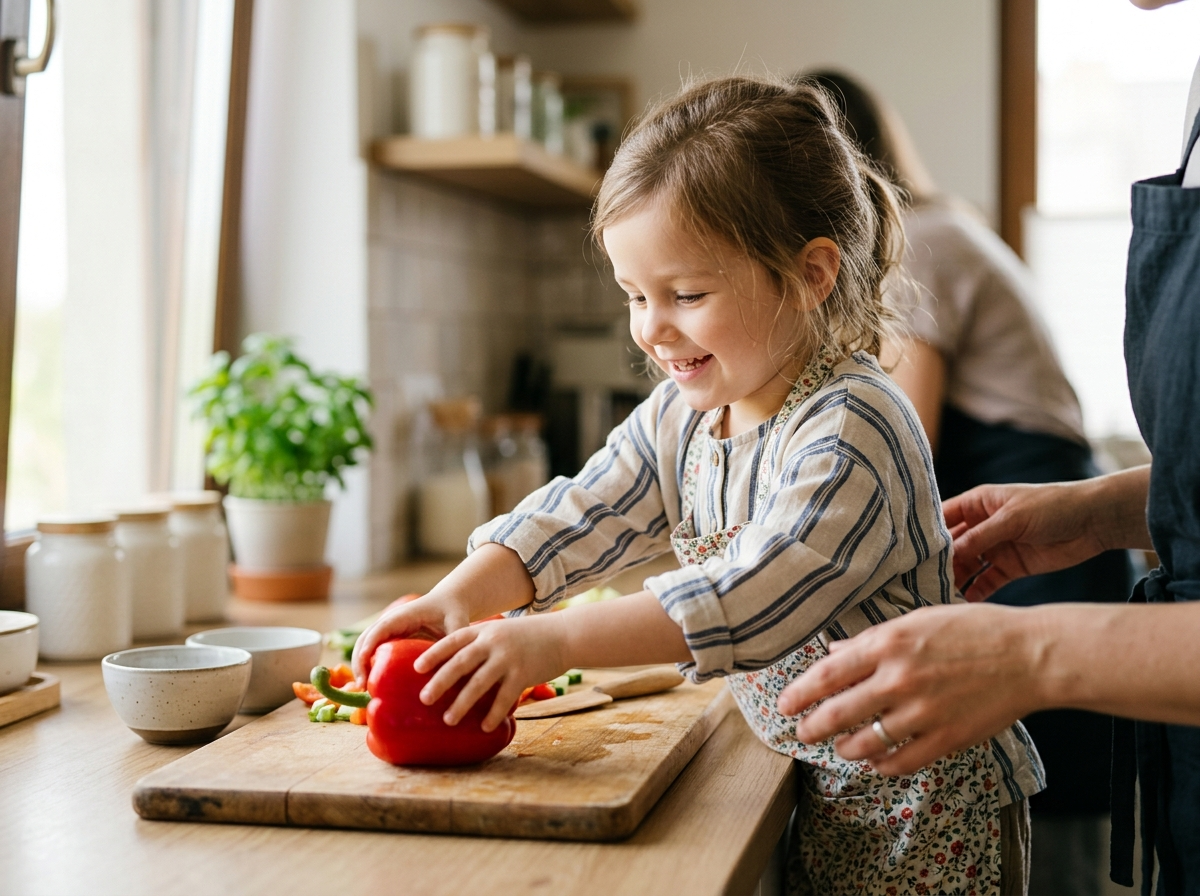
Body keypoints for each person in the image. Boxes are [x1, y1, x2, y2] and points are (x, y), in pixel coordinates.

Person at [354, 74, 1043, 895]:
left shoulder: (852, 427)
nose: (652, 328)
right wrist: (467, 591)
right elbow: (586, 507)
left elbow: (754, 594)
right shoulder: (684, 415)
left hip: (930, 804)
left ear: (812, 274)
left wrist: (553, 641)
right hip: (832, 784)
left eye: (686, 294)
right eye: (635, 296)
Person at [777, 3, 1200, 893]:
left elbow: (896, 443)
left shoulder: (921, 248)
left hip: (1062, 597)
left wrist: (1021, 652)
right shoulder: (952, 224)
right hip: (1073, 541)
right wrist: (1106, 509)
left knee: (1060, 831)